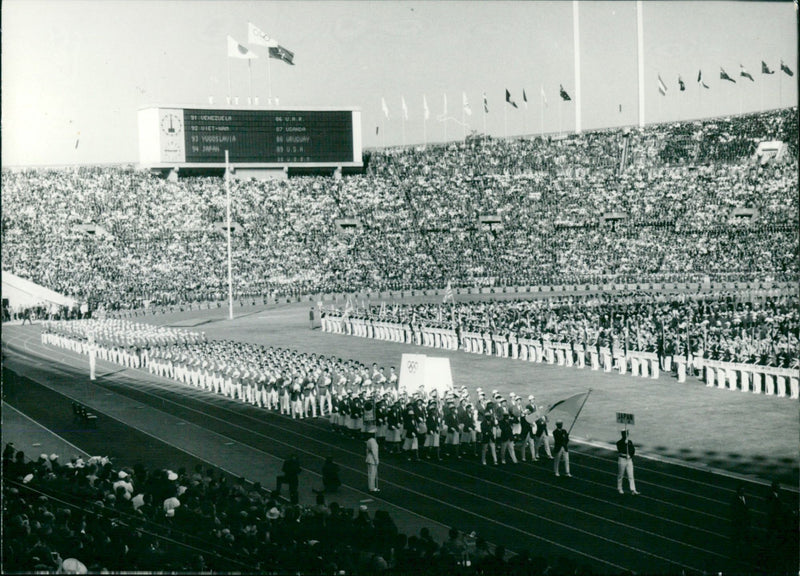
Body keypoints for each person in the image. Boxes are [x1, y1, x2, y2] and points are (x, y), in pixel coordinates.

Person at [729, 484, 751, 566]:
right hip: (738, 523)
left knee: (744, 539)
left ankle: (742, 554)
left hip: (744, 523)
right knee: (737, 539)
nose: (743, 492)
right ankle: (735, 555)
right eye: (742, 490)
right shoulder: (734, 500)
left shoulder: (745, 498)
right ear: (738, 492)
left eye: (744, 490)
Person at [616, 430, 639, 495]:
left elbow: (633, 450)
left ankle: (633, 489)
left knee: (631, 475)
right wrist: (624, 443)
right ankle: (619, 488)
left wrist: (630, 455)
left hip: (629, 459)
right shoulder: (619, 442)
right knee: (621, 474)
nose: (626, 435)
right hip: (622, 459)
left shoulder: (629, 442)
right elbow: (620, 449)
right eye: (625, 434)